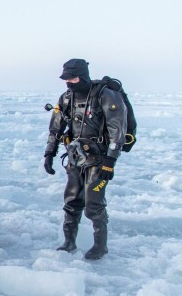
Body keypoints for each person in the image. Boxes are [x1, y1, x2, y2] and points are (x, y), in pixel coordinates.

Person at [43, 58, 127, 260]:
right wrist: (49, 153)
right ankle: (69, 242)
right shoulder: (65, 99)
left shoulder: (106, 96)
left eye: (72, 78)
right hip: (75, 158)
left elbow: (118, 131)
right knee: (71, 201)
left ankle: (100, 246)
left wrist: (110, 162)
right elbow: (55, 129)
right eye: (66, 79)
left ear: (83, 76)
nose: (68, 82)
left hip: (98, 160)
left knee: (94, 204)